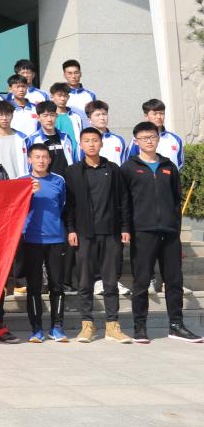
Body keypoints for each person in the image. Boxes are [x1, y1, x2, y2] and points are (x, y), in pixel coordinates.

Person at [123, 121, 201, 343]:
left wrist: (176, 227)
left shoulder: (169, 166)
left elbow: (176, 200)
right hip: (143, 232)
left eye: (152, 137)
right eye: (144, 138)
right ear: (136, 141)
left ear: (158, 139)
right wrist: (126, 228)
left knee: (174, 280)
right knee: (141, 282)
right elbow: (124, 202)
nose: (149, 141)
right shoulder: (128, 168)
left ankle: (176, 326)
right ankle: (140, 327)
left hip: (169, 232)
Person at [64, 127, 132, 344]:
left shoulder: (113, 169)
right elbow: (69, 204)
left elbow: (123, 200)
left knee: (110, 281)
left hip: (110, 233)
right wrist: (71, 229)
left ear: (101, 143)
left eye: (95, 140)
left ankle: (113, 325)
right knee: (84, 281)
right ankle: (87, 324)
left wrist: (125, 227)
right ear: (81, 145)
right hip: (84, 234)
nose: (91, 144)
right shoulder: (73, 171)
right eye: (87, 141)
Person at [21, 143, 69, 343]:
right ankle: (36, 328)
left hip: (55, 238)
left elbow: (64, 206)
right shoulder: (22, 182)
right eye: (37, 157)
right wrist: (28, 194)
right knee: (33, 286)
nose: (41, 161)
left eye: (44, 157)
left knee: (57, 285)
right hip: (31, 239)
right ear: (29, 159)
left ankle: (57, 327)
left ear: (49, 159)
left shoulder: (59, 180)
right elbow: (15, 210)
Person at [28, 102, 75, 175]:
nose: (49, 119)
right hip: (45, 181)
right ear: (38, 118)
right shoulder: (32, 140)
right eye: (45, 116)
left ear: (57, 116)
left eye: (52, 115)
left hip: (67, 180)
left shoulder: (66, 138)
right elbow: (28, 166)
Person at [0, 102, 29, 178]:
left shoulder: (23, 138)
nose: (4, 118)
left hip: (20, 181)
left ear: (12, 116)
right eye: (1, 115)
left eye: (8, 115)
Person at [143, 98, 184, 169]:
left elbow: (180, 164)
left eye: (162, 113)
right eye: (155, 114)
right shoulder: (138, 140)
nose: (159, 117)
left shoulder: (175, 139)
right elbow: (130, 164)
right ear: (146, 116)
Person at [85, 101, 127, 165]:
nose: (102, 118)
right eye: (97, 115)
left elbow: (123, 163)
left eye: (104, 114)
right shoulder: (84, 140)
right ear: (89, 120)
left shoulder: (118, 140)